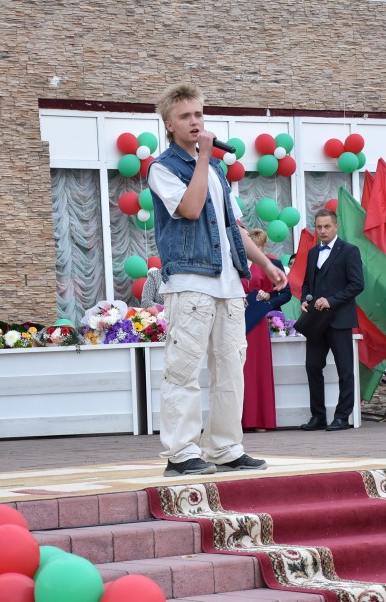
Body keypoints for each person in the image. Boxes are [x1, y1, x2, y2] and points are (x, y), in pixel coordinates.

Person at [148, 83, 288, 477]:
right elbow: (191, 209)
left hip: (228, 285)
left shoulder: (215, 171)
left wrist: (266, 265)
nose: (194, 122)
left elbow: (233, 227)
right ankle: (181, 453)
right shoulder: (163, 168)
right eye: (185, 117)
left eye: (198, 114)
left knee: (230, 370)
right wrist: (204, 157)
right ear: (169, 125)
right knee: (184, 370)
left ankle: (224, 447)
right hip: (190, 282)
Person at [299, 209, 364, 431]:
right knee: (312, 366)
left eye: (327, 226)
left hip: (340, 320)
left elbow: (357, 284)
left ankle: (342, 417)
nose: (323, 231)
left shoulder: (350, 251)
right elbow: (307, 284)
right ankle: (318, 416)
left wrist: (331, 301)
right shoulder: (312, 253)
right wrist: (304, 299)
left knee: (344, 370)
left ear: (336, 226)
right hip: (316, 321)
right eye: (319, 227)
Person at [241, 229, 291, 432]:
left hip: (258, 321)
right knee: (239, 369)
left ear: (263, 247)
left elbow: (284, 293)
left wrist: (268, 298)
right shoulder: (235, 263)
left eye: (257, 247)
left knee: (258, 368)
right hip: (236, 319)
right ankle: (240, 420)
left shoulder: (271, 264)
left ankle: (261, 419)